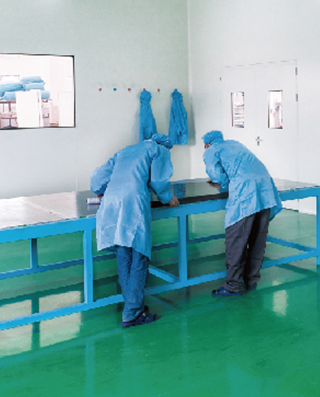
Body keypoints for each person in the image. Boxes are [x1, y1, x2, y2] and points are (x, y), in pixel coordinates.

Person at [91, 133, 180, 328]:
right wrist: (168, 198)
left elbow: (98, 178)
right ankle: (132, 312)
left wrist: (99, 190)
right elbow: (159, 181)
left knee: (124, 255)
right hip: (133, 201)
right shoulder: (159, 149)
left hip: (111, 201)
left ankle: (132, 306)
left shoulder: (126, 150)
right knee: (139, 255)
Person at [202, 130, 283, 296]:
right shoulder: (235, 144)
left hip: (246, 191)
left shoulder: (211, 150)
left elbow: (216, 174)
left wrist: (221, 182)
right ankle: (251, 281)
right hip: (265, 188)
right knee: (257, 239)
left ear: (207, 144)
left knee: (236, 240)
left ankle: (233, 285)